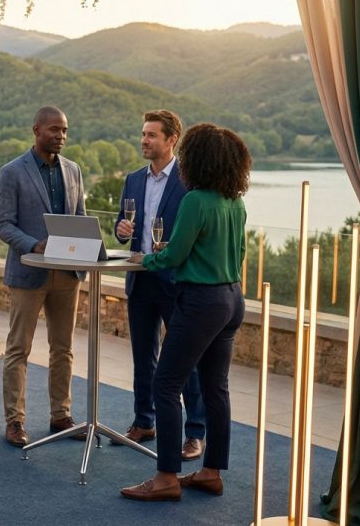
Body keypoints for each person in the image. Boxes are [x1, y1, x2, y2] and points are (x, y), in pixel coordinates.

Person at [121, 123, 249, 502]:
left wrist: (149, 258)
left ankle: (165, 478)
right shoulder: (235, 202)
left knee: (165, 384)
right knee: (216, 388)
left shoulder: (196, 200)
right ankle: (211, 472)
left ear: (197, 159)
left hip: (201, 302)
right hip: (231, 299)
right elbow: (239, 255)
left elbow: (175, 255)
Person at [113, 110, 207, 461]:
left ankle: (195, 432)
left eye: (152, 135)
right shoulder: (133, 179)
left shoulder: (189, 181)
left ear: (171, 140)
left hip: (176, 282)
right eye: (142, 134)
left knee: (187, 362)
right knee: (143, 356)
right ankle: (144, 421)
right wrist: (121, 230)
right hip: (141, 279)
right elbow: (124, 225)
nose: (144, 140)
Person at [0, 106, 86, 447]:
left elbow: (80, 220)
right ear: (36, 130)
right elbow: (3, 224)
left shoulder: (74, 171)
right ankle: (15, 421)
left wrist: (88, 250)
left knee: (63, 349)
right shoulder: (11, 172)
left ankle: (61, 415)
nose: (61, 136)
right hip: (29, 272)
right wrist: (35, 246)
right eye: (54, 130)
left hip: (68, 275)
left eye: (64, 130)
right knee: (19, 348)